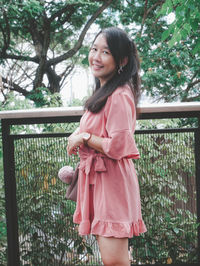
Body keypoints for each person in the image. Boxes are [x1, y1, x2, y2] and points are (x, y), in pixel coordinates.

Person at [67, 27, 147, 266]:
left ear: (122, 60)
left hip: (112, 183)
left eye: (105, 52)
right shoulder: (105, 92)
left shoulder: (119, 95)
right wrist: (81, 133)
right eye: (94, 49)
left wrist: (85, 137)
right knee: (113, 260)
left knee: (115, 262)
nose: (96, 57)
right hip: (101, 182)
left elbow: (118, 145)